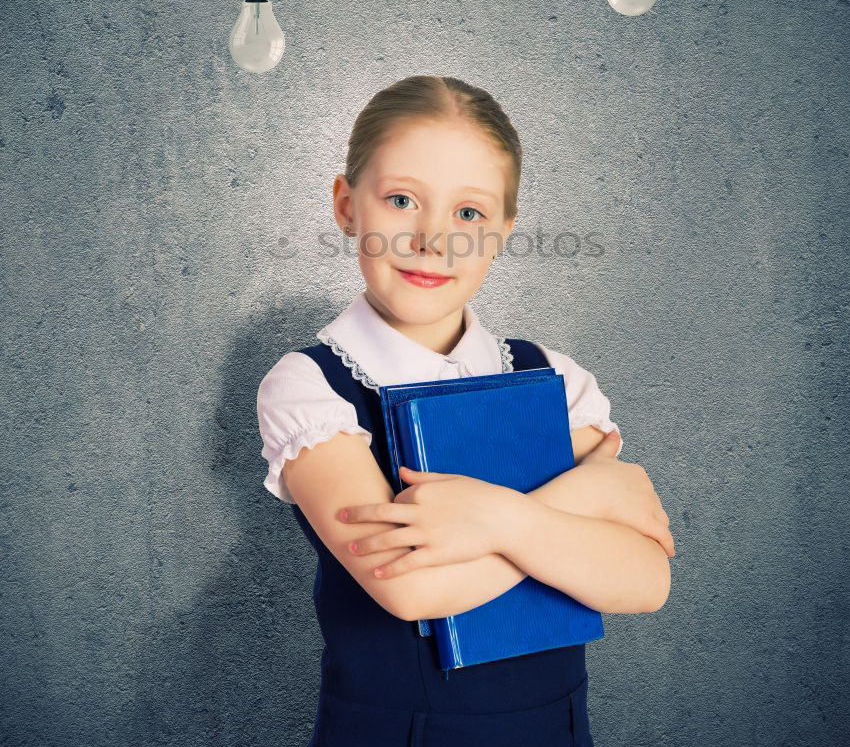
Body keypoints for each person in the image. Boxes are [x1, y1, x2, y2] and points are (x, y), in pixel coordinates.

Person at [256, 75, 675, 747]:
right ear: (345, 205)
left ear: (505, 230)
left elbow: (646, 580)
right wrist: (568, 504)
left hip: (556, 727)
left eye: (470, 215)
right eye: (400, 200)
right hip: (397, 733)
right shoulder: (312, 385)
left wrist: (495, 522)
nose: (434, 240)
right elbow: (412, 592)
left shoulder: (554, 375)